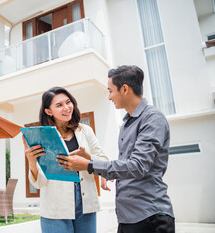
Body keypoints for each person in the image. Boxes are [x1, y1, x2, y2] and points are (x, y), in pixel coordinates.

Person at [57, 65, 175, 233]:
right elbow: (125, 166)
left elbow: (137, 166)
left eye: (111, 91)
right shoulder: (127, 123)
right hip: (128, 217)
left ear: (125, 89)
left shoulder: (152, 119)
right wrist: (91, 161)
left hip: (150, 216)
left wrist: (89, 165)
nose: (109, 97)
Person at [23, 86, 109, 233]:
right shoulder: (42, 137)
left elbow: (103, 161)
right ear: (48, 111)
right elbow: (40, 183)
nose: (66, 108)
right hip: (55, 207)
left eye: (68, 102)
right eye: (59, 105)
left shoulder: (85, 131)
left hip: (85, 202)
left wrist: (88, 160)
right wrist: (31, 161)